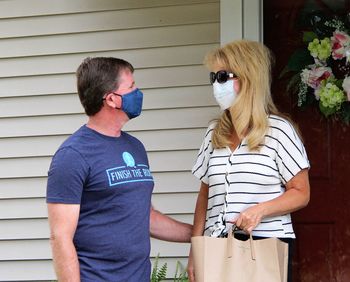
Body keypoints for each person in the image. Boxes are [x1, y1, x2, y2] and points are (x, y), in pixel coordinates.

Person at [46, 57, 192, 282]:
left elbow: (146, 217)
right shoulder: (73, 155)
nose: (138, 92)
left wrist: (198, 233)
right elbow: (60, 238)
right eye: (131, 86)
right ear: (112, 99)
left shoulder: (135, 147)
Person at [187, 40, 310, 282]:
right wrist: (195, 249)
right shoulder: (214, 132)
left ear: (248, 78)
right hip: (216, 246)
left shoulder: (278, 131)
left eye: (222, 76)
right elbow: (205, 195)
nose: (216, 84)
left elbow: (301, 192)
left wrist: (259, 211)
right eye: (213, 77)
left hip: (264, 244)